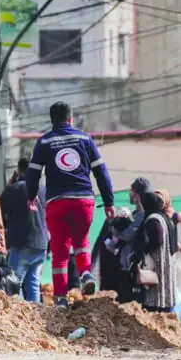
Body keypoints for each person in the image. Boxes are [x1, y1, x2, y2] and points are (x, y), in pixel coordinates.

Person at [25, 101, 115, 307]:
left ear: (51, 120)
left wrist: (31, 196)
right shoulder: (85, 139)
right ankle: (85, 273)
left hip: (57, 201)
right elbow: (101, 173)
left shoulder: (45, 142)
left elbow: (33, 174)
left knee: (60, 251)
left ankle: (60, 299)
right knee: (81, 238)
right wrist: (109, 201)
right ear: (70, 118)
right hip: (84, 199)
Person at [0, 157, 49, 303]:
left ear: (19, 170)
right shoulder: (44, 190)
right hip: (41, 242)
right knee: (33, 283)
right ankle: (34, 314)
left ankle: (18, 315)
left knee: (14, 282)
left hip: (21, 241)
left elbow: (0, 211)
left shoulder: (14, 189)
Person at [132, 191, 176, 313]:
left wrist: (142, 249)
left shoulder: (153, 219)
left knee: (155, 295)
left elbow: (157, 240)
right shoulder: (164, 217)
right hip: (167, 262)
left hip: (157, 263)